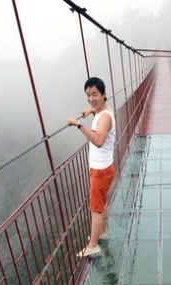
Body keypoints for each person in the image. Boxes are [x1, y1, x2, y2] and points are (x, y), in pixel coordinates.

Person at [66, 76, 116, 258]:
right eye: (88, 95)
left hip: (101, 170)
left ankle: (93, 245)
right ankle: (101, 233)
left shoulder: (105, 118)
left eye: (94, 95)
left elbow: (99, 140)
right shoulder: (104, 112)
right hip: (104, 168)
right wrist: (91, 111)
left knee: (95, 208)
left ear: (103, 94)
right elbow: (101, 116)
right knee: (101, 203)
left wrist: (79, 124)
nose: (91, 98)